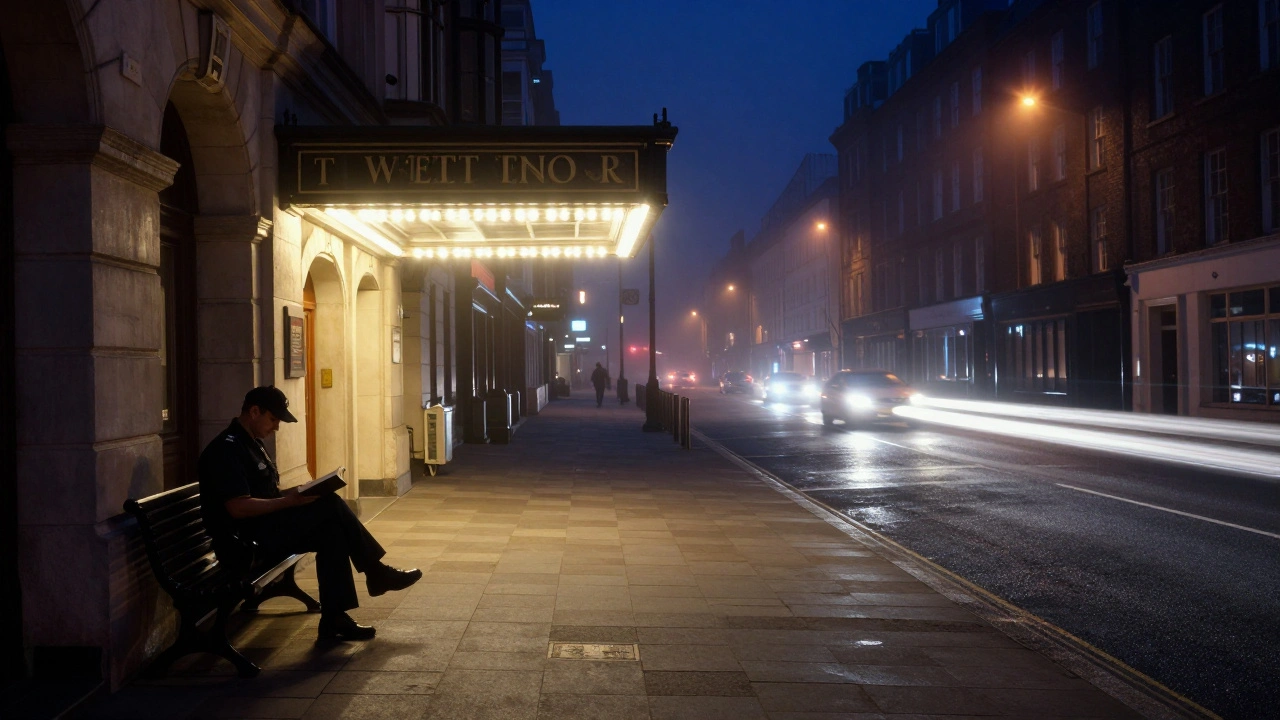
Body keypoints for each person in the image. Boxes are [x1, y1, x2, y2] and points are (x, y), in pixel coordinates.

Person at [197, 386, 421, 641]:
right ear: (254, 411)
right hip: (243, 543)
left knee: (331, 530)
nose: (277, 427)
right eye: (273, 419)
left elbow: (266, 495)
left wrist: (299, 492)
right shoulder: (227, 449)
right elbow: (238, 507)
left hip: (262, 530)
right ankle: (375, 573)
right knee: (331, 507)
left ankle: (335, 617)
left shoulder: (251, 444)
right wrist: (291, 502)